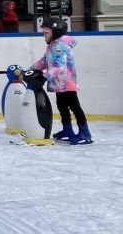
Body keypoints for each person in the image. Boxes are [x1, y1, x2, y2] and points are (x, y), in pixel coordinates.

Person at [30, 16, 91, 144]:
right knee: (62, 106)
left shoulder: (60, 46)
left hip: (66, 82)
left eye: (46, 33)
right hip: (59, 83)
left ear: (55, 32)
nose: (44, 36)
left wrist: (45, 76)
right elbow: (45, 61)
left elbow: (59, 65)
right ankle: (67, 129)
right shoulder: (52, 45)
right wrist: (31, 69)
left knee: (75, 107)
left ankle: (85, 132)